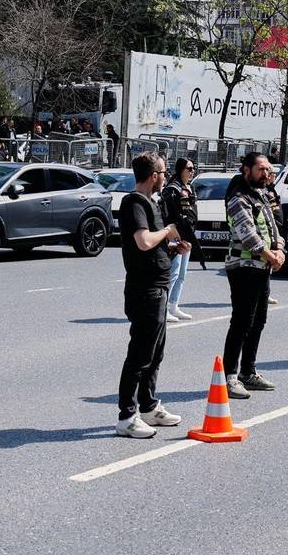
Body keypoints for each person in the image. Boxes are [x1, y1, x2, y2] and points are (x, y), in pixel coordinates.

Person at [115, 152, 189, 438]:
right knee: (140, 355)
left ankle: (148, 407)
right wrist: (168, 231)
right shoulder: (134, 202)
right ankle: (126, 417)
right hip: (144, 290)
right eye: (163, 172)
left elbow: (152, 247)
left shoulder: (151, 203)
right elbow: (143, 241)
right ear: (153, 175)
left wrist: (172, 248)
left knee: (155, 353)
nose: (166, 176)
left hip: (158, 287)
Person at [223, 152, 285, 400]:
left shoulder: (262, 195)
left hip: (262, 266)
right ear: (246, 170)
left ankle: (248, 371)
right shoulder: (238, 198)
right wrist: (271, 256)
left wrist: (280, 250)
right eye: (261, 169)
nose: (266, 173)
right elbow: (248, 235)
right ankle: (230, 376)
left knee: (258, 321)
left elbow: (274, 228)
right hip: (243, 266)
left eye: (268, 169)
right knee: (241, 322)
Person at [160, 158, 199, 321]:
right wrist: (175, 237)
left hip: (187, 236)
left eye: (193, 169)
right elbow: (169, 215)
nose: (192, 172)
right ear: (180, 170)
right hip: (175, 236)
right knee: (173, 272)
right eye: (189, 169)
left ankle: (173, 305)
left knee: (182, 273)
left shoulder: (189, 188)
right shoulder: (172, 189)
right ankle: (162, 308)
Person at [263, 164, 285, 305]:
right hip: (268, 232)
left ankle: (266, 293)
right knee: (267, 264)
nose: (274, 176)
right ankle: (264, 293)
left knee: (269, 268)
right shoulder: (264, 191)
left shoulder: (272, 189)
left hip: (276, 229)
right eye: (272, 173)